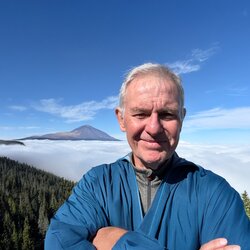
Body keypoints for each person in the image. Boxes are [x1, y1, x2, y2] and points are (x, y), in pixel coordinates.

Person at [45, 63, 250, 249]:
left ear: (182, 118)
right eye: (141, 114)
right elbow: (59, 242)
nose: (153, 127)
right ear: (122, 119)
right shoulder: (97, 184)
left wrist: (118, 241)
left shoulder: (214, 194)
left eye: (167, 114)